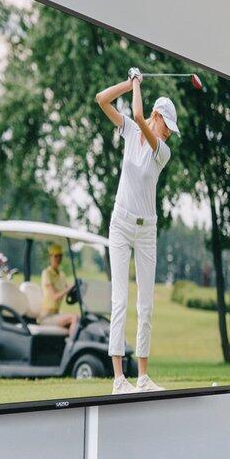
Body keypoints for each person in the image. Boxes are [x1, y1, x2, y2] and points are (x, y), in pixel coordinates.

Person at [94, 69, 178, 394]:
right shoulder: (128, 131)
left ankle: (142, 376)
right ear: (160, 116)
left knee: (146, 304)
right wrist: (130, 84)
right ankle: (119, 379)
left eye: (171, 129)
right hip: (121, 223)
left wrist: (138, 85)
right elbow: (102, 100)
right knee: (120, 299)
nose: (169, 133)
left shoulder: (162, 151)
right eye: (167, 125)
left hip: (147, 230)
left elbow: (138, 112)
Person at [37, 242, 80, 337]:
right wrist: (68, 288)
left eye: (60, 256)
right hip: (46, 316)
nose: (58, 259)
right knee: (74, 317)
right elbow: (54, 297)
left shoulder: (61, 274)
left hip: (56, 314)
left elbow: (68, 289)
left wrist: (76, 288)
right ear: (50, 257)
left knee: (80, 317)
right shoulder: (46, 273)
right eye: (56, 256)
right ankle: (71, 347)